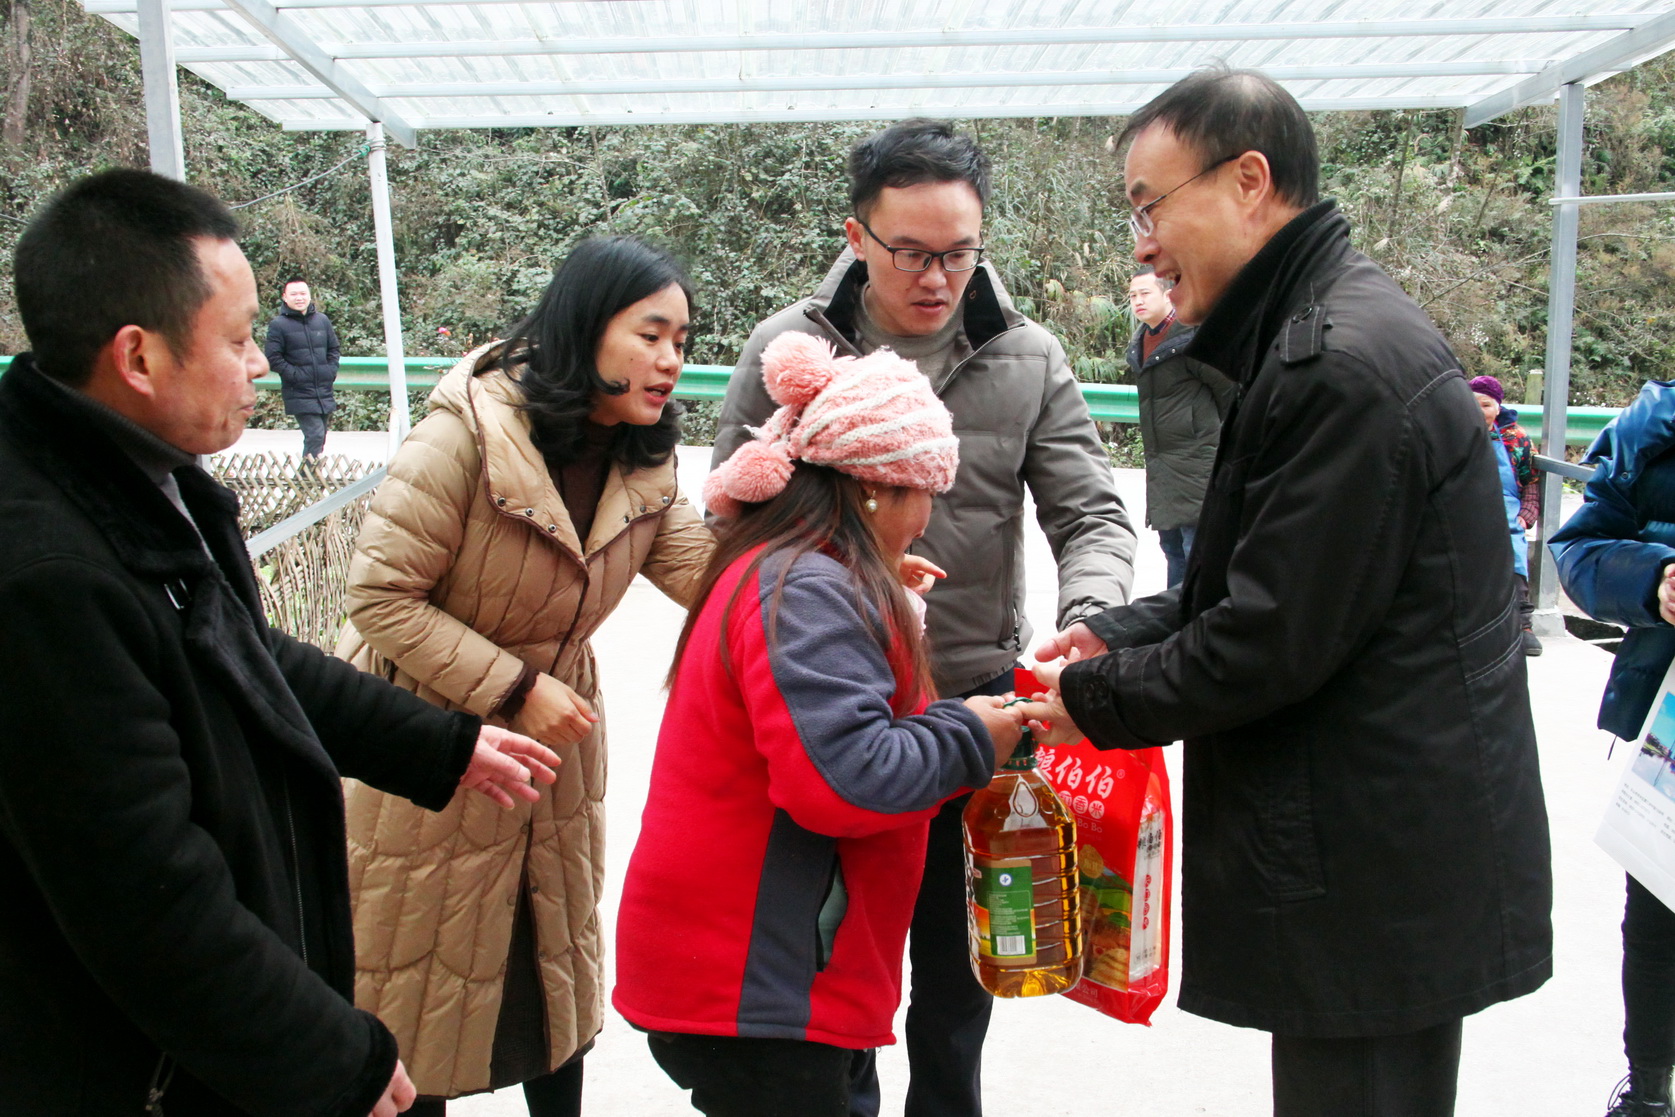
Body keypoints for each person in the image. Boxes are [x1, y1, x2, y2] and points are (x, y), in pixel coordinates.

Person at [1025, 67, 1553, 1117]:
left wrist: (1092, 700)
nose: (1142, 243)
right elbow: (1268, 573)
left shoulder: (1337, 366)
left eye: (1149, 206)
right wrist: (1118, 634)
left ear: (1249, 181)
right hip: (1374, 846)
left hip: (1371, 863)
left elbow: (1268, 637)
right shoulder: (1314, 333)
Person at [0, 168, 559, 1116]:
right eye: (236, 338)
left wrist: (440, 742)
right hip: (137, 1070)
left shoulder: (140, 476)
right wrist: (333, 1059)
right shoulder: (48, 577)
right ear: (138, 357)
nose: (260, 361)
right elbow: (147, 900)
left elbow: (242, 657)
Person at [712, 117, 1135, 1117]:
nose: (937, 277)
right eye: (910, 252)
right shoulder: (789, 348)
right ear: (855, 236)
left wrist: (1092, 615)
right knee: (830, 968)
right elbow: (728, 517)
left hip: (974, 704)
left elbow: (1091, 515)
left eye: (959, 253)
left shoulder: (1025, 355)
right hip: (829, 706)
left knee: (960, 971)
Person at [335, 236, 714, 1116]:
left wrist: (842, 566)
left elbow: (709, 576)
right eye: (650, 335)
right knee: (412, 985)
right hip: (430, 739)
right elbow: (379, 596)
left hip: (553, 753)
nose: (670, 360)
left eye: (682, 341)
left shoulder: (641, 455)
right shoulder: (464, 434)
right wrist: (515, 689)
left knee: (550, 980)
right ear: (585, 327)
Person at [617, 331, 1026, 1117]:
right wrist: (972, 733)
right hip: (758, 980)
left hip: (759, 969)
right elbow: (846, 779)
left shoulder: (792, 566)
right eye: (925, 492)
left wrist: (879, 590)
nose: (926, 516)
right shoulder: (806, 589)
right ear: (873, 487)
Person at [1550, 380, 1675, 1117]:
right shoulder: (1653, 426)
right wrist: (1653, 581)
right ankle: (1649, 1092)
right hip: (1672, 730)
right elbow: (1579, 549)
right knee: (1658, 911)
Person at [1126, 266, 1235, 587]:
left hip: (1198, 463)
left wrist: (1212, 438)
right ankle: (1175, 615)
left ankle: (1193, 615)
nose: (1138, 301)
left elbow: (1230, 392)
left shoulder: (1193, 339)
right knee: (1172, 549)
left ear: (1167, 294)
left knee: (1195, 550)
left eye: (1145, 293)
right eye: (1132, 296)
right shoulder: (1141, 343)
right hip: (1163, 466)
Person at [1470, 373, 1542, 655]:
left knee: (1513, 547)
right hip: (1467, 503)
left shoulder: (1517, 439)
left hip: (1506, 507)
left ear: (1498, 407)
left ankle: (1523, 625)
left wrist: (1528, 511)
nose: (1479, 411)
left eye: (1486, 405)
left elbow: (1530, 480)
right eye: (1472, 404)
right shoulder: (1455, 433)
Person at [265, 275, 340, 457]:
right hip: (298, 390)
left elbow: (334, 348)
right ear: (285, 297)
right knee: (315, 435)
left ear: (309, 295)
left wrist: (329, 370)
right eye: (294, 294)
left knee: (320, 437)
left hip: (323, 389)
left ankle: (310, 471)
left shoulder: (322, 320)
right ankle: (309, 472)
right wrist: (295, 375)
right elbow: (273, 358)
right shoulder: (278, 325)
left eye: (303, 293)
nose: (299, 298)